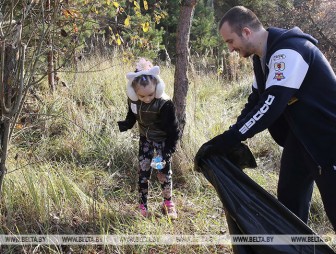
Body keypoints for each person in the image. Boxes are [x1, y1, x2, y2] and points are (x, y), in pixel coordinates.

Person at [196, 6, 336, 231]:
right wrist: (228, 137)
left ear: (246, 32)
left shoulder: (291, 50)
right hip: (301, 141)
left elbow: (270, 105)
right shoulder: (263, 59)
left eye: (230, 41)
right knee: (289, 208)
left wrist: (229, 138)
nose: (231, 49)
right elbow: (254, 103)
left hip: (328, 140)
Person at [118, 58, 180, 219]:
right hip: (145, 140)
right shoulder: (133, 100)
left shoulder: (165, 104)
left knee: (164, 172)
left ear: (158, 88)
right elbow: (132, 115)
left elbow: (174, 131)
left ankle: (168, 203)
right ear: (134, 92)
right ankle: (142, 205)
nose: (146, 99)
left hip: (163, 143)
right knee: (143, 172)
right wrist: (126, 124)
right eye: (142, 96)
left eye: (150, 95)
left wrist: (167, 151)